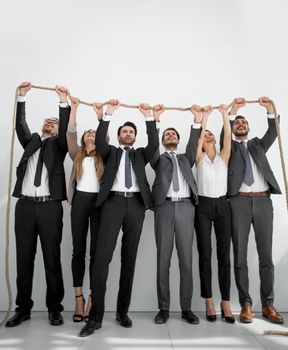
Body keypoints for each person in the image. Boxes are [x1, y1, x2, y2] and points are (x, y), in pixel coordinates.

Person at [79, 100, 159, 337]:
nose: (127, 134)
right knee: (101, 259)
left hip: (136, 204)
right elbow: (101, 139)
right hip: (112, 203)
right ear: (118, 135)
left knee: (129, 259)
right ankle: (95, 318)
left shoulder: (140, 155)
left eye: (131, 132)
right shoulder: (110, 151)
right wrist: (107, 115)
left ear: (134, 137)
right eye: (124, 131)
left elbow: (154, 144)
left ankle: (122, 312)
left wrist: (148, 118)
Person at [6, 82, 70, 327]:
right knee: (24, 258)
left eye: (54, 123)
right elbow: (20, 126)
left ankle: (55, 308)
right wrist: (21, 97)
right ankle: (23, 308)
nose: (50, 124)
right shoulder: (32, 141)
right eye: (48, 121)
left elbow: (64, 130)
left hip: (49, 206)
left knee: (51, 257)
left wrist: (62, 102)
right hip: (25, 206)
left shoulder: (59, 145)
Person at [225, 97, 283, 324]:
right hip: (237, 202)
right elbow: (224, 134)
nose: (240, 124)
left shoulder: (258, 144)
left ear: (248, 127)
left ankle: (268, 304)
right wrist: (233, 111)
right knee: (239, 256)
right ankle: (246, 305)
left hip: (262, 202)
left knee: (266, 256)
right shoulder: (228, 147)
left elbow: (273, 131)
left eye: (243, 122)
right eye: (237, 122)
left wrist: (270, 109)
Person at [150, 104, 202, 325]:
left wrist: (197, 120)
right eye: (166, 134)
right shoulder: (157, 159)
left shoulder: (185, 158)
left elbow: (193, 142)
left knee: (186, 261)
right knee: (163, 259)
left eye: (173, 134)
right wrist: (156, 121)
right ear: (163, 141)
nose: (170, 136)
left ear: (177, 140)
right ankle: (163, 308)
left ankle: (186, 308)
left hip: (186, 208)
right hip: (164, 207)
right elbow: (152, 144)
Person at [194, 104, 235, 323]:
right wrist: (205, 119)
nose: (208, 136)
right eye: (206, 135)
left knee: (223, 255)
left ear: (216, 141)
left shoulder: (224, 156)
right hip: (203, 207)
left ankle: (225, 301)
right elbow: (199, 135)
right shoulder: (199, 159)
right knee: (205, 254)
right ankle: (208, 300)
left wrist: (224, 115)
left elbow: (228, 135)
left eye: (211, 134)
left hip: (222, 206)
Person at [66, 97, 104, 322]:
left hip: (99, 204)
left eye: (94, 132)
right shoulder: (77, 153)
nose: (90, 134)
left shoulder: (103, 156)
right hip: (80, 202)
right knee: (78, 250)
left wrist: (100, 117)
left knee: (96, 254)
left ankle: (92, 298)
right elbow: (71, 132)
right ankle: (78, 297)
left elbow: (105, 133)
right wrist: (74, 108)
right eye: (87, 132)